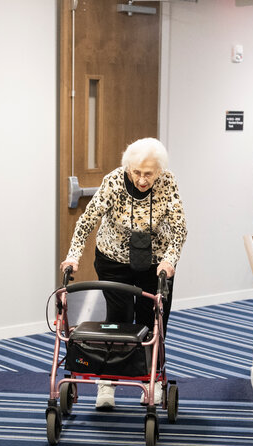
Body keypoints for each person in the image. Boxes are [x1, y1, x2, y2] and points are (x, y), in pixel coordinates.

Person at [60, 137, 188, 409]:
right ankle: (107, 382)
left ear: (159, 170)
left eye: (149, 174)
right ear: (128, 167)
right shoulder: (114, 182)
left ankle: (151, 381)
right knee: (118, 320)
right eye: (137, 172)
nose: (142, 179)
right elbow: (87, 220)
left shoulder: (167, 182)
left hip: (155, 263)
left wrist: (169, 260)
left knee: (152, 321)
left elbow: (179, 228)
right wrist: (73, 255)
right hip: (113, 259)